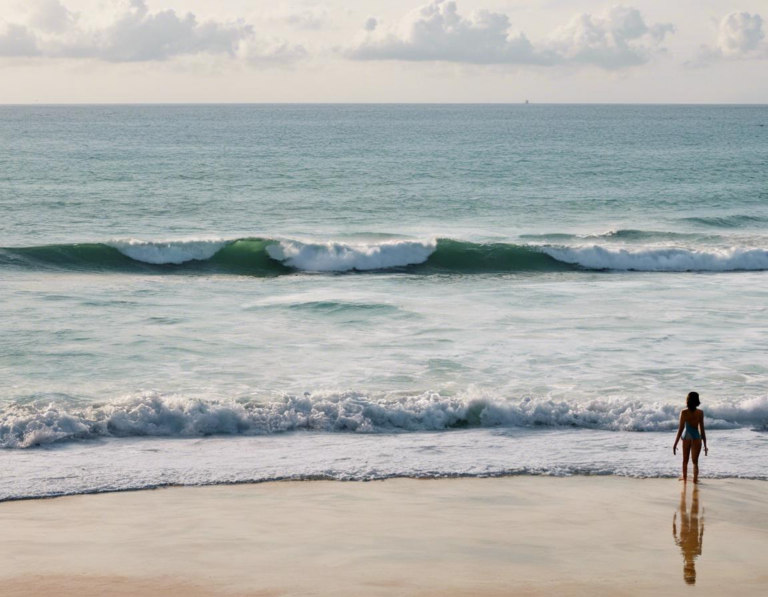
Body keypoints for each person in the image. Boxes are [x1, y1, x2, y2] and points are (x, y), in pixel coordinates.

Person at [673, 392, 708, 483]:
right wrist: (705, 444)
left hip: (686, 436)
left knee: (685, 461)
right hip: (696, 436)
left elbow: (680, 429)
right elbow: (702, 429)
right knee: (695, 462)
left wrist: (675, 443)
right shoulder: (700, 412)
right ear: (697, 400)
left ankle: (684, 479)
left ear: (687, 400)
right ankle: (695, 480)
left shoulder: (684, 412)